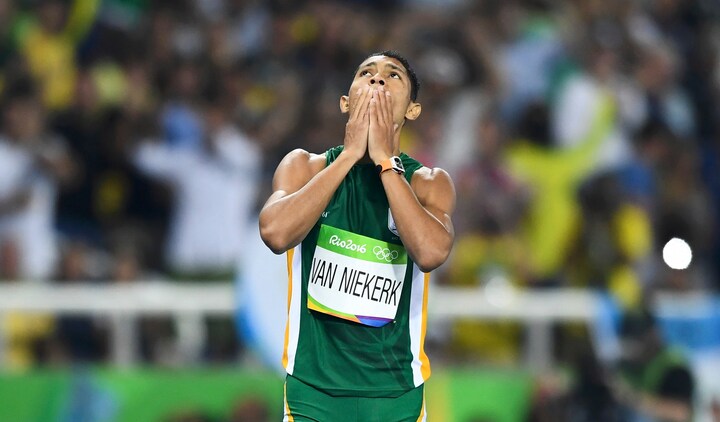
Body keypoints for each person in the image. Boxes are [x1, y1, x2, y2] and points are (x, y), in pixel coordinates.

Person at [259, 50, 456, 421]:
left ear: (412, 110)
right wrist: (349, 156)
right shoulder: (303, 166)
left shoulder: (428, 182)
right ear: (345, 102)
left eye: (393, 75)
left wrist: (386, 163)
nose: (378, 78)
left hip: (395, 397)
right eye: (367, 72)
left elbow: (431, 253)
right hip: (312, 396)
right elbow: (275, 233)